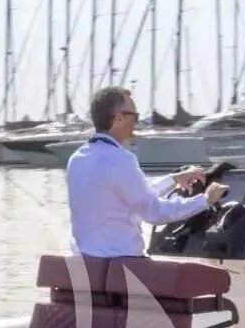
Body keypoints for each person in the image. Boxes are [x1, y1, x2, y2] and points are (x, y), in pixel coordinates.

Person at [66, 86, 227, 258]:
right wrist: (205, 200)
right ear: (119, 117)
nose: (137, 121)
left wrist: (173, 180)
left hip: (84, 264)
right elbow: (153, 212)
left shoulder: (77, 159)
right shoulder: (120, 159)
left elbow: (128, 195)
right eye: (134, 115)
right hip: (120, 265)